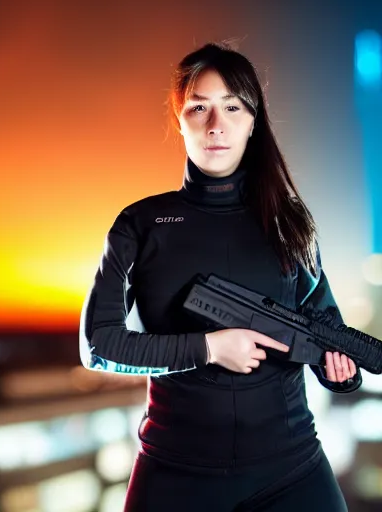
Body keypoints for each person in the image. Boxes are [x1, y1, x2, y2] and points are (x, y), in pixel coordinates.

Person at [79, 41, 363, 511]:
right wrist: (210, 347)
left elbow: (324, 329)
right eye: (199, 108)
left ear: (253, 120)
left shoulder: (289, 222)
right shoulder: (142, 224)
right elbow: (98, 345)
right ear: (179, 121)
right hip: (175, 476)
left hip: (291, 471)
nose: (216, 125)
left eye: (232, 107)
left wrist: (341, 375)